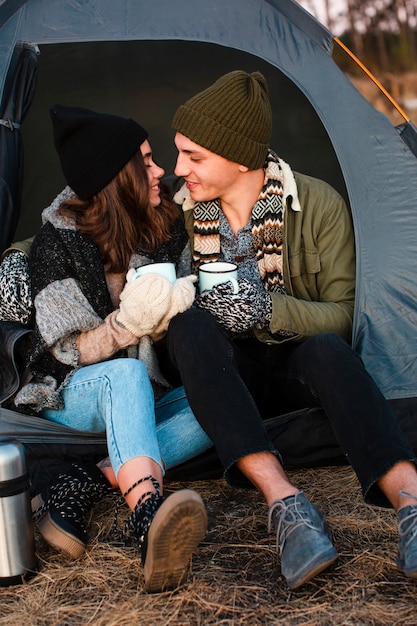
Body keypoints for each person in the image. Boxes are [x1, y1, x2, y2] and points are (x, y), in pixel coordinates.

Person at [165, 70, 417, 590]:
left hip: (293, 365)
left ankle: (411, 505)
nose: (178, 169)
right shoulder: (184, 212)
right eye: (178, 154)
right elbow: (101, 222)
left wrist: (267, 310)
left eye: (193, 156)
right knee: (189, 326)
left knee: (326, 348)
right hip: (225, 374)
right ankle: (288, 508)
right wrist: (18, 253)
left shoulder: (316, 205)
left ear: (239, 158)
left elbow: (345, 312)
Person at [12, 105, 213, 593]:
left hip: (143, 388)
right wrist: (128, 325)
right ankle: (146, 514)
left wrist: (172, 309)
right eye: (146, 162)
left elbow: (178, 300)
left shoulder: (165, 227)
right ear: (116, 177)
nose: (160, 170)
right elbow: (63, 351)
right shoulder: (55, 243)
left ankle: (92, 475)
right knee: (125, 376)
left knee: (219, 397)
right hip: (67, 394)